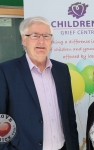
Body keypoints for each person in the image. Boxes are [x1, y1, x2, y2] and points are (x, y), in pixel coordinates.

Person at [0, 16, 79, 150]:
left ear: (51, 41)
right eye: (35, 35)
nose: (41, 41)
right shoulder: (6, 71)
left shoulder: (62, 70)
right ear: (24, 39)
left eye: (46, 36)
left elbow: (69, 116)